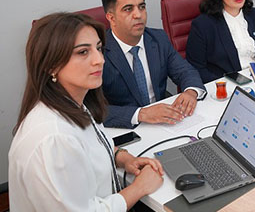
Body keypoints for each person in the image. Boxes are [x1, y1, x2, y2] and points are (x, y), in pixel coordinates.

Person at [9, 12, 163, 211]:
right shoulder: (54, 138)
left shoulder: (74, 104)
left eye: (98, 48)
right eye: (83, 52)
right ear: (51, 65)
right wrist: (139, 188)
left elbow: (92, 145)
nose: (99, 60)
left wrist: (123, 158)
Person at [101, 0, 206, 128]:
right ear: (111, 18)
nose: (138, 15)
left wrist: (191, 91)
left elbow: (185, 71)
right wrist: (141, 114)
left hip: (163, 123)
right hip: (124, 128)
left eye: (141, 7)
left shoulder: (158, 39)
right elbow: (90, 109)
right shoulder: (99, 52)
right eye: (128, 9)